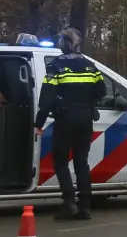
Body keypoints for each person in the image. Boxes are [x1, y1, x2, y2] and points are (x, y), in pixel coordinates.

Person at [35, 28, 104, 221]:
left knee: (61, 162)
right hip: (85, 119)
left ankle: (69, 204)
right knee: (82, 162)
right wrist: (87, 100)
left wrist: (38, 123)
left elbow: (46, 98)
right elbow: (101, 91)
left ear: (63, 45)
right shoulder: (90, 65)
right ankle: (85, 208)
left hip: (65, 119)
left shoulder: (57, 65)